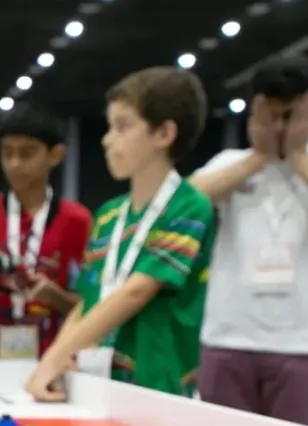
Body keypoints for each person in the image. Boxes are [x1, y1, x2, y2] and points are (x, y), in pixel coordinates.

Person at [189, 55, 308, 426]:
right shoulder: (231, 162)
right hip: (228, 337)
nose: (278, 126)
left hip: (304, 342)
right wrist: (258, 157)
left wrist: (300, 156)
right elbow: (187, 202)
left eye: (288, 115)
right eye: (269, 115)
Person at [26, 67, 215, 400]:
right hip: (99, 384)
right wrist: (58, 357)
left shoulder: (189, 207)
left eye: (122, 126)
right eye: (110, 126)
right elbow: (88, 302)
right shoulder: (108, 215)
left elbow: (137, 291)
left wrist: (53, 359)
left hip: (160, 388)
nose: (107, 139)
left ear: (163, 134)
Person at [0, 103, 92, 360]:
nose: (14, 164)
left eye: (27, 154)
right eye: (6, 153)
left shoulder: (77, 221)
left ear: (56, 155)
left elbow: (89, 307)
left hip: (48, 359)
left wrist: (55, 297)